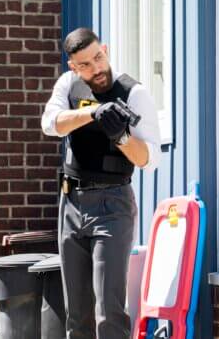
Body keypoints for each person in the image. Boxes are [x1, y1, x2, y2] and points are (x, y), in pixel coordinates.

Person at [41, 28, 161, 339]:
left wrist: (120, 136)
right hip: (71, 204)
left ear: (105, 49)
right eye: (86, 65)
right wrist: (94, 112)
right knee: (77, 315)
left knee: (109, 312)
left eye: (99, 57)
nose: (96, 68)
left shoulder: (134, 93)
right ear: (74, 67)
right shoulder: (69, 85)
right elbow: (50, 124)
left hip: (113, 204)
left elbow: (149, 159)